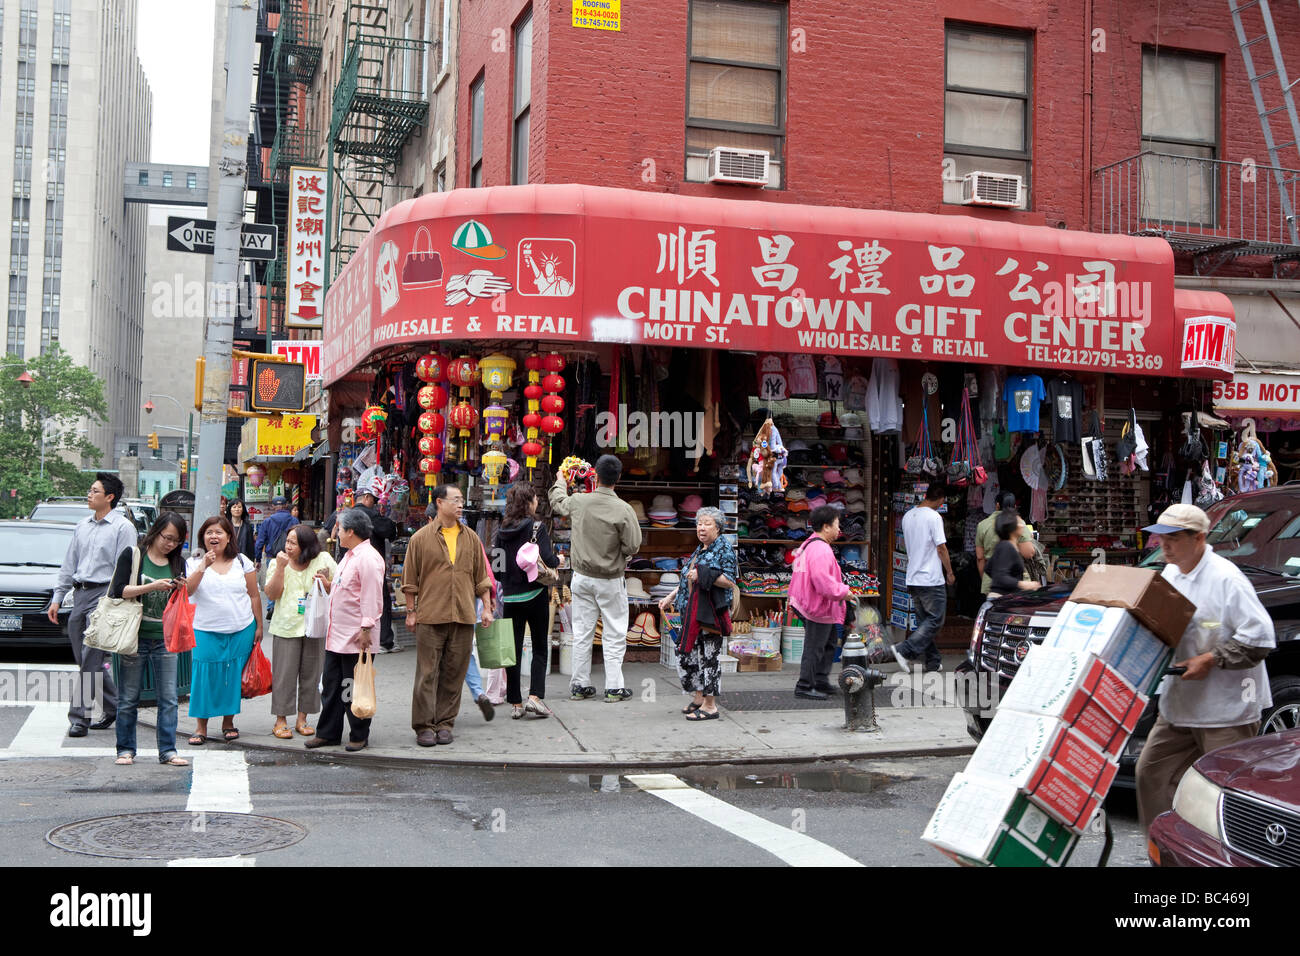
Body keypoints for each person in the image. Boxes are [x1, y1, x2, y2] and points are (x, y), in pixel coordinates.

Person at [1135, 504, 1276, 831]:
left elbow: (1261, 637)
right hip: (1180, 704)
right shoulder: (1170, 573)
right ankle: (1164, 851)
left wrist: (1211, 659)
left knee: (1224, 795)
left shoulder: (1227, 578)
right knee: (1151, 773)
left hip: (1225, 711)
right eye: (1160, 538)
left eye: (1173, 538)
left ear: (1199, 538)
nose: (1164, 546)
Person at [48, 472, 138, 738]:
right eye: (90, 490)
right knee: (86, 660)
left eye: (94, 491)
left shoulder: (123, 527)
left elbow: (127, 568)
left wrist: (116, 602)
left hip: (105, 597)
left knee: (90, 657)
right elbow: (69, 564)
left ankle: (80, 718)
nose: (89, 494)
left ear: (109, 497)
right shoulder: (82, 526)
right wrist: (57, 597)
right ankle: (116, 707)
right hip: (80, 595)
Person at [402, 484, 492, 746]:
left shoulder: (471, 538)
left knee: (454, 674)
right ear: (439, 503)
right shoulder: (420, 539)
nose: (460, 504)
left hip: (463, 615)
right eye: (454, 500)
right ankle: (423, 726)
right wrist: (411, 611)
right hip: (430, 615)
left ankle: (444, 723)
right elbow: (409, 580)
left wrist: (486, 607)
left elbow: (481, 579)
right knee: (427, 674)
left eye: (461, 500)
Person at [549, 454, 642, 702]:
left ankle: (579, 685)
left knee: (582, 633)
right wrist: (617, 555)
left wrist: (560, 480)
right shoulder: (624, 509)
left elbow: (558, 502)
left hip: (582, 578)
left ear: (596, 477)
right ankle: (613, 688)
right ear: (618, 478)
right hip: (611, 579)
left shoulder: (580, 501)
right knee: (614, 634)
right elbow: (633, 546)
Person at [108, 513, 190, 766]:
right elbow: (118, 590)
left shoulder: (178, 562)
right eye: (167, 538)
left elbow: (180, 600)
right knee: (129, 697)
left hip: (165, 638)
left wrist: (180, 587)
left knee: (168, 698)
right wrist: (151, 587)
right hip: (134, 637)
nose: (170, 544)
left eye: (176, 541)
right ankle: (125, 749)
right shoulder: (134, 556)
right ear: (155, 532)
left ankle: (168, 750)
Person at [307, 509, 384, 752]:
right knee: (332, 686)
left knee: (352, 687)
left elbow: (372, 597)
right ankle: (328, 733)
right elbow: (347, 589)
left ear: (351, 531)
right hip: (337, 635)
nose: (335, 533)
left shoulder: (368, 558)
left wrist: (366, 628)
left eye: (339, 528)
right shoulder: (350, 555)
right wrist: (328, 585)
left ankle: (359, 733)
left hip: (356, 636)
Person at [185, 516, 262, 745]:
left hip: (241, 628)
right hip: (205, 629)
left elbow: (254, 595)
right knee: (204, 676)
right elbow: (187, 591)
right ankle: (201, 726)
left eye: (219, 532)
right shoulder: (193, 562)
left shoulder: (242, 561)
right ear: (203, 538)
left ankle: (228, 722)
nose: (214, 536)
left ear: (229, 537)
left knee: (232, 676)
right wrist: (203, 566)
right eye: (209, 532)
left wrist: (258, 626)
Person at [659, 507, 737, 717]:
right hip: (691, 612)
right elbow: (688, 577)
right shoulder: (701, 548)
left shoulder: (724, 549)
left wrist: (703, 574)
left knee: (709, 658)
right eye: (699, 524)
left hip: (710, 612)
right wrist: (671, 596)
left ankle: (710, 706)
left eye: (707, 524)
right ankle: (699, 697)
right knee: (691, 656)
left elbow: (730, 582)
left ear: (718, 528)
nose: (701, 528)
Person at [265, 524, 336, 740]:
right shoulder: (278, 562)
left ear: (306, 545)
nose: (288, 546)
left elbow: (341, 584)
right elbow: (271, 593)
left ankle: (303, 718)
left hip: (315, 626)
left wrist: (327, 583)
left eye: (293, 543)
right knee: (284, 676)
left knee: (311, 674)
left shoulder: (322, 560)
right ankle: (281, 719)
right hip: (286, 626)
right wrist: (279, 568)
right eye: (287, 541)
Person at [494, 483, 559, 719]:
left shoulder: (502, 530)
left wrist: (511, 579)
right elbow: (549, 560)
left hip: (511, 598)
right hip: (535, 594)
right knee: (540, 647)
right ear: (529, 502)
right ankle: (534, 697)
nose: (537, 503)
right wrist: (559, 559)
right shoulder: (537, 527)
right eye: (534, 499)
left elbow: (497, 569)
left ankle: (515, 704)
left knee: (513, 651)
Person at [787, 505, 851, 701]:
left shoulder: (811, 543)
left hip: (813, 603)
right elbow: (823, 582)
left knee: (829, 642)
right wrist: (843, 592)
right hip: (816, 605)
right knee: (815, 646)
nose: (839, 529)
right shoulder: (820, 549)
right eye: (837, 525)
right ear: (826, 526)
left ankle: (820, 680)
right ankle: (805, 685)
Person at [891, 481, 954, 673]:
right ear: (941, 499)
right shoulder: (934, 517)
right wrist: (950, 571)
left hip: (913, 576)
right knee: (935, 620)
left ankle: (933, 661)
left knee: (924, 622)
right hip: (930, 578)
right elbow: (941, 547)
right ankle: (903, 650)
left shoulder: (908, 516)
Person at [355, 477, 400, 653]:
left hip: (353, 565)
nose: (373, 503)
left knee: (358, 600)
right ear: (367, 497)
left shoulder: (347, 514)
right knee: (378, 600)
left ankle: (361, 636)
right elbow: (389, 531)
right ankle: (384, 640)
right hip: (372, 565)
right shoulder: (371, 515)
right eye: (373, 499)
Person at [986, 514, 1041, 599]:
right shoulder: (1006, 546)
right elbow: (1000, 575)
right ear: (1012, 527)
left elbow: (988, 569)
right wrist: (1023, 584)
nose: (1022, 525)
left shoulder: (1004, 545)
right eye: (1019, 522)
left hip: (1005, 597)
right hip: (1001, 598)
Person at [254, 495, 299, 569]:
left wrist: (258, 559)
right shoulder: (294, 520)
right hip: (289, 557)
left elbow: (260, 542)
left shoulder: (267, 522)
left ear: (273, 506)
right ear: (286, 505)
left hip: (272, 558)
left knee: (273, 579)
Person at [228, 497, 256, 562]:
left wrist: (251, 561)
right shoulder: (225, 525)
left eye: (239, 507)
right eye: (234, 507)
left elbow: (250, 547)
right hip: (228, 559)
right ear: (230, 509)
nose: (237, 509)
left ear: (243, 509)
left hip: (244, 560)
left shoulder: (247, 526)